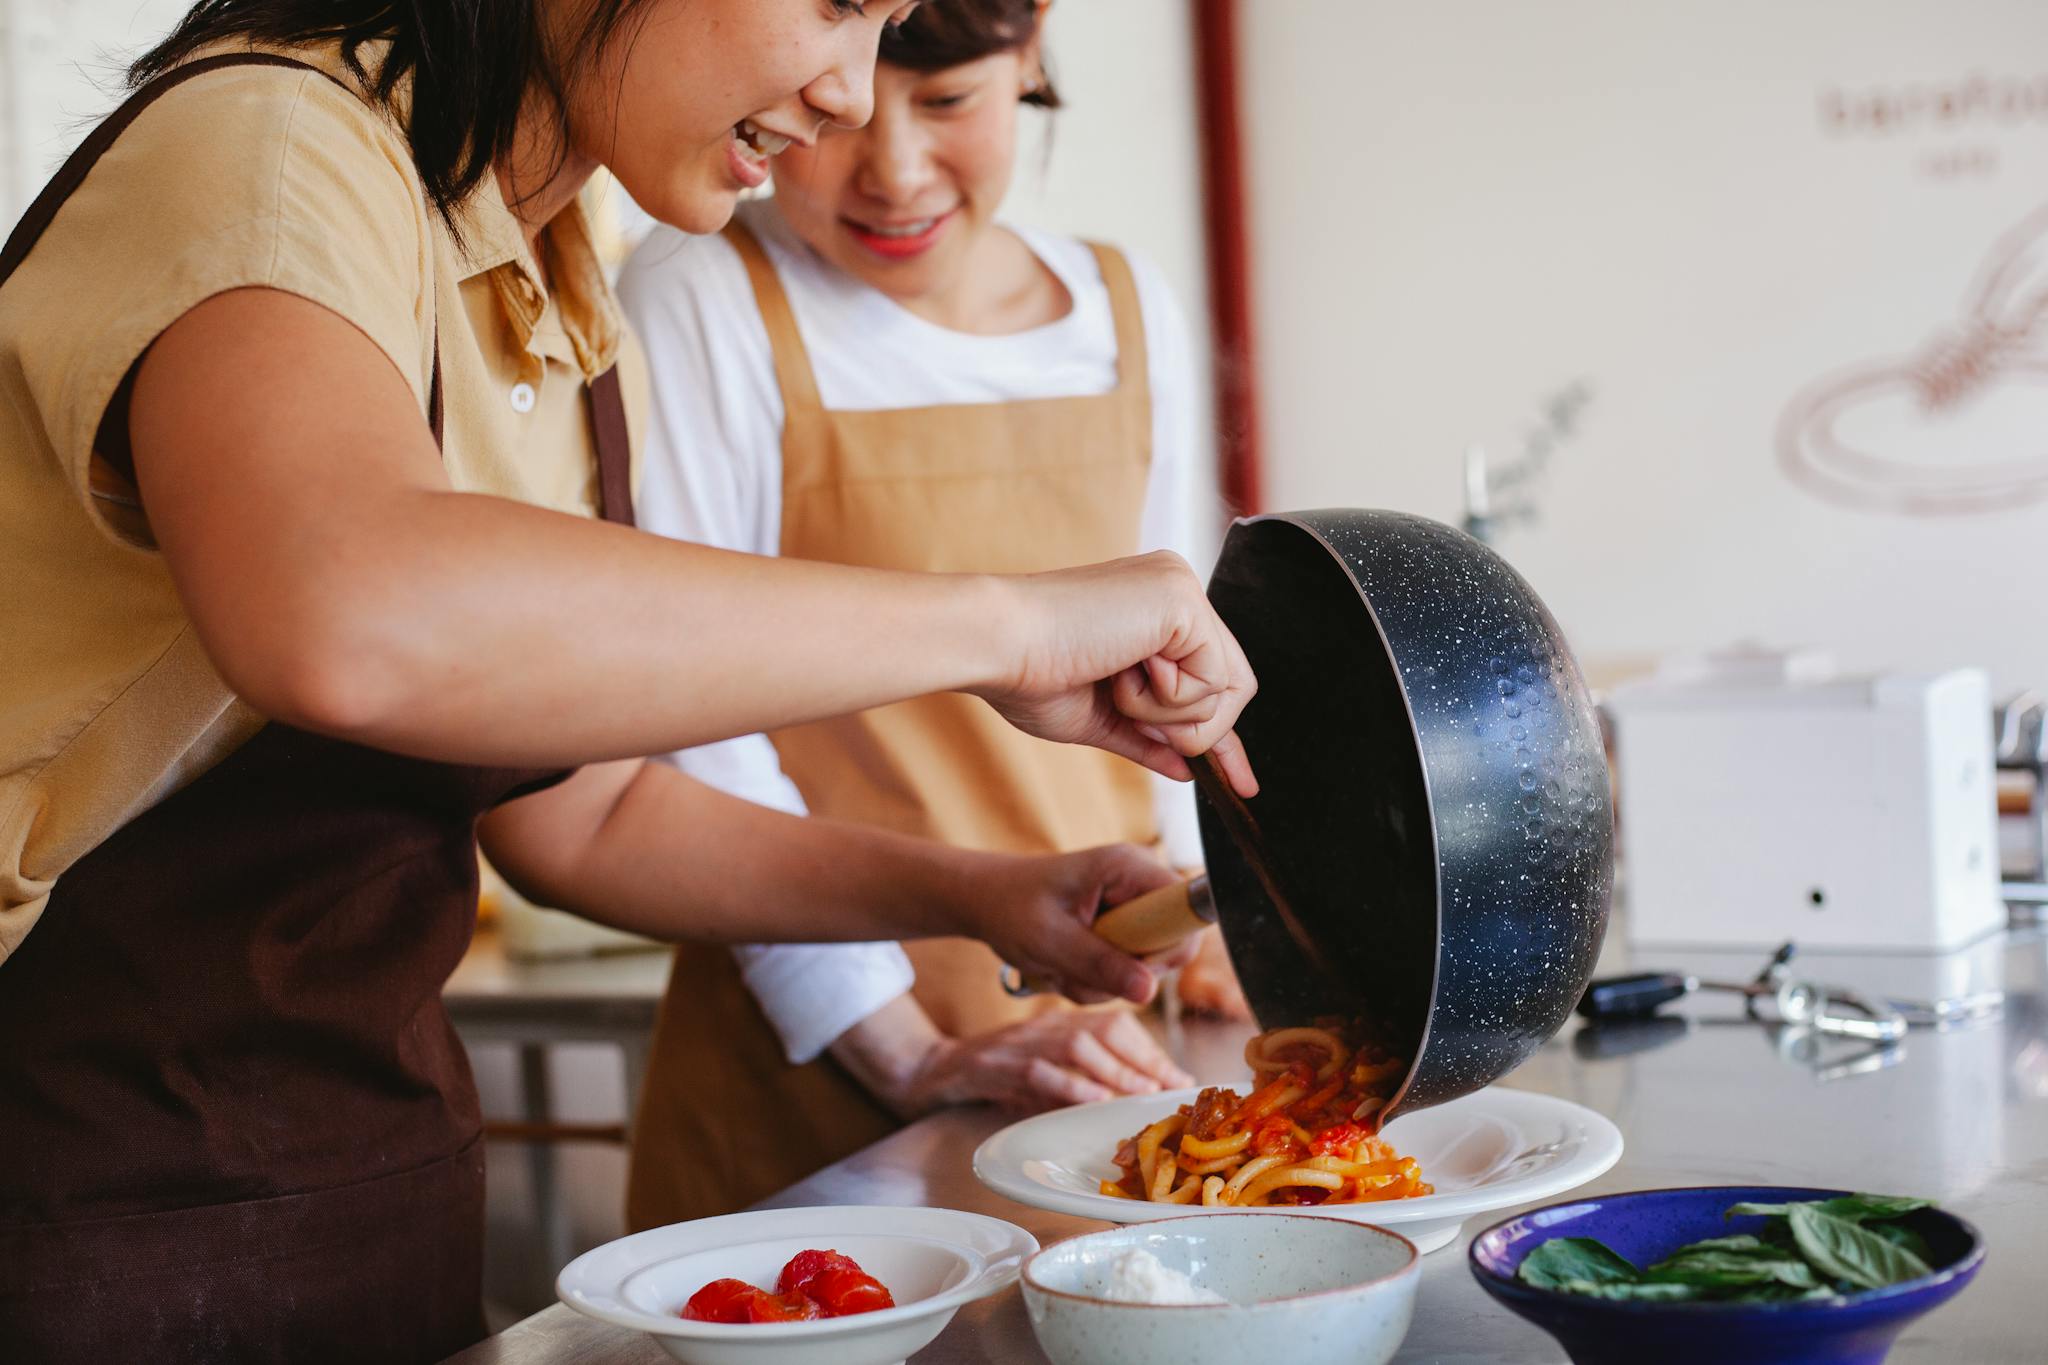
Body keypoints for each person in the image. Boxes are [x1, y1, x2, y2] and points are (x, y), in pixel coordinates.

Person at [0, 2, 1257, 1360]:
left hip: (355, 1182)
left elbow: (584, 813)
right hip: (65, 1179)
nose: (848, 96)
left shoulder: (549, 286)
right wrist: (1003, 627)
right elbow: (346, 613)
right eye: (837, 7)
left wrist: (985, 897)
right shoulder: (271, 150)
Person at [617, 0, 1249, 1233]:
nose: (893, 171)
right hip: (814, 1058)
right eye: (836, 105)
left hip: (1098, 1045)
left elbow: (1177, 668)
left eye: (950, 100)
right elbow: (690, 721)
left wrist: (1206, 905)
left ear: (1030, 56)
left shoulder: (1124, 306)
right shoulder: (700, 291)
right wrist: (903, 1049)